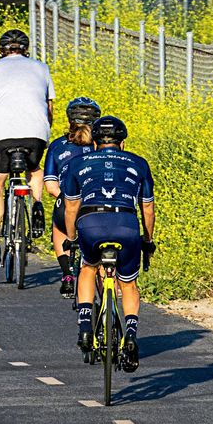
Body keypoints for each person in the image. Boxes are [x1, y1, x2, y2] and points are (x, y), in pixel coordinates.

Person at [61, 116, 156, 372]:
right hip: (126, 224)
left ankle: (84, 327)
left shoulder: (78, 162)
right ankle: (132, 335)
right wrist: (147, 240)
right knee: (129, 283)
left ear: (93, 143)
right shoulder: (138, 163)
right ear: (122, 143)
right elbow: (147, 208)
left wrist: (71, 238)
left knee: (88, 269)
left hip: (91, 222)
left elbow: (71, 207)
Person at [0, 29, 54, 268]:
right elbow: (49, 108)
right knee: (35, 169)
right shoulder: (41, 68)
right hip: (35, 134)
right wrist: (44, 133)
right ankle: (37, 204)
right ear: (25, 49)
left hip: (2, 137)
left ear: (2, 50)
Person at [44, 97, 101, 297]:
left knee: (59, 227)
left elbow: (50, 185)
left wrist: (66, 198)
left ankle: (67, 274)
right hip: (98, 202)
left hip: (68, 203)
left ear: (70, 119)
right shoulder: (102, 145)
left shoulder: (58, 145)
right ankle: (106, 277)